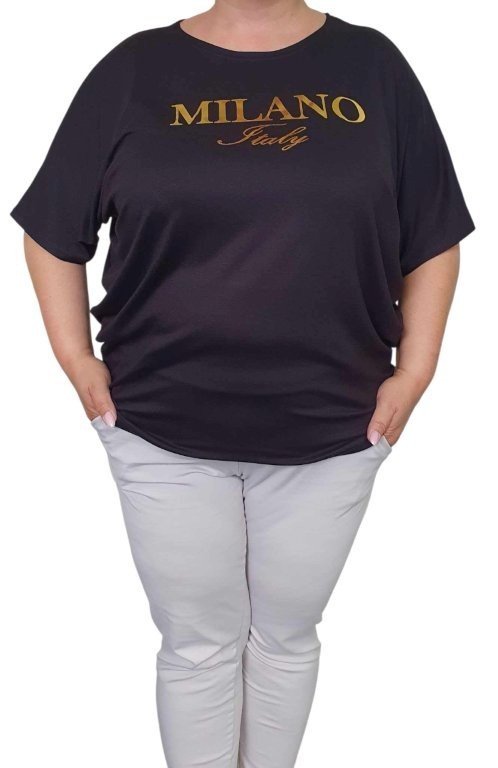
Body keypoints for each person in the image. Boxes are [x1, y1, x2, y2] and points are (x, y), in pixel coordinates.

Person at [10, 2, 475, 766]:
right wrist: (74, 357)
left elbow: (432, 235)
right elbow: (52, 229)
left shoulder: (373, 67)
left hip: (335, 419)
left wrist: (417, 370)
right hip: (161, 419)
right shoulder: (134, 70)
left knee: (287, 637)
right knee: (197, 642)